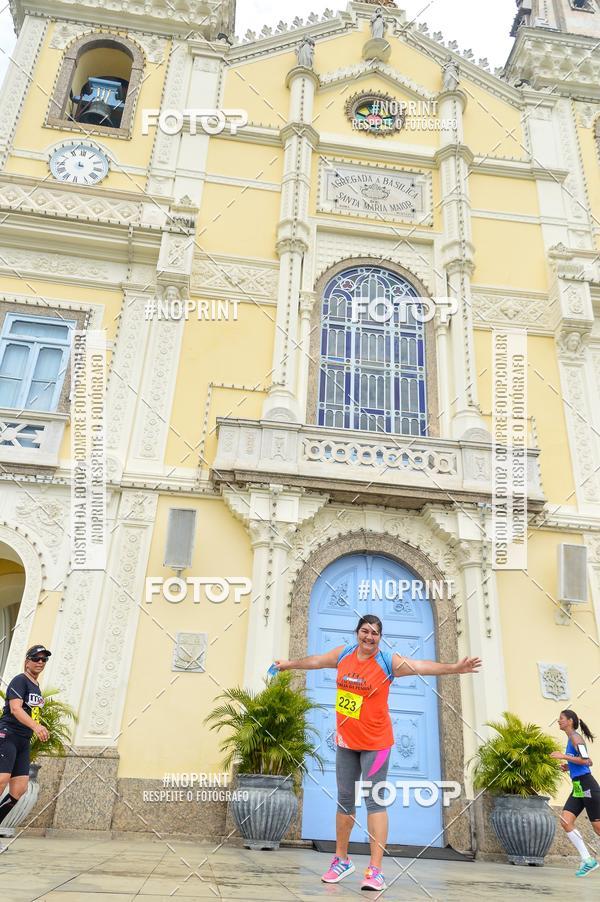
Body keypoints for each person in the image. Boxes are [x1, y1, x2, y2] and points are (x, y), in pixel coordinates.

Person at [274, 614, 481, 892]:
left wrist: (454, 668)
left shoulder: (387, 662)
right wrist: (288, 665)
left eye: (374, 633)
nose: (369, 637)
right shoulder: (344, 654)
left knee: (374, 801)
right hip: (347, 743)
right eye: (364, 631)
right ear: (356, 633)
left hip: (377, 745)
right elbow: (315, 661)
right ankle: (341, 860)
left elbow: (421, 666)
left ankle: (375, 870)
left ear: (380, 637)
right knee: (345, 800)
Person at [0, 645, 51, 829]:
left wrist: (36, 729)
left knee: (19, 789)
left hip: (23, 740)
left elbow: (33, 712)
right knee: (1, 780)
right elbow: (15, 709)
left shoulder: (36, 686)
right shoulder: (20, 680)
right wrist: (36, 726)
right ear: (27, 661)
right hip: (8, 735)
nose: (40, 662)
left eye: (44, 659)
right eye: (36, 658)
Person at [551, 709, 600, 878]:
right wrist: (569, 766)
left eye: (561, 718)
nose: (558, 721)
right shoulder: (570, 739)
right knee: (565, 820)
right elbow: (587, 760)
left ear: (570, 721)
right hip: (578, 786)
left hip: (587, 785)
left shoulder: (575, 737)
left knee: (597, 827)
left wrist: (563, 756)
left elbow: (587, 761)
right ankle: (588, 860)